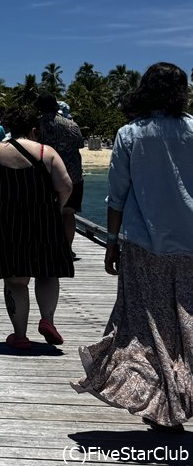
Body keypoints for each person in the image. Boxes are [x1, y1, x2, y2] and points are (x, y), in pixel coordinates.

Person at [71, 62, 193, 432]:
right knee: (186, 323)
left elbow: (117, 195)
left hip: (144, 243)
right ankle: (176, 395)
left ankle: (161, 400)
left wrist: (111, 243)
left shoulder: (130, 134)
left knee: (147, 326)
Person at [0, 106, 74, 349]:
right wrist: (57, 207)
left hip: (8, 224)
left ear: (7, 127)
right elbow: (66, 186)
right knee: (47, 272)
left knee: (15, 281)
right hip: (43, 221)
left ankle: (20, 336)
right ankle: (47, 320)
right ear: (34, 130)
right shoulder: (46, 152)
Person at [36, 93, 84, 256]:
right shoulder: (71, 125)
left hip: (46, 174)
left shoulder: (36, 125)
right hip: (73, 175)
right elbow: (80, 143)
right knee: (69, 213)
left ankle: (48, 247)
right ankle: (67, 249)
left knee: (46, 212)